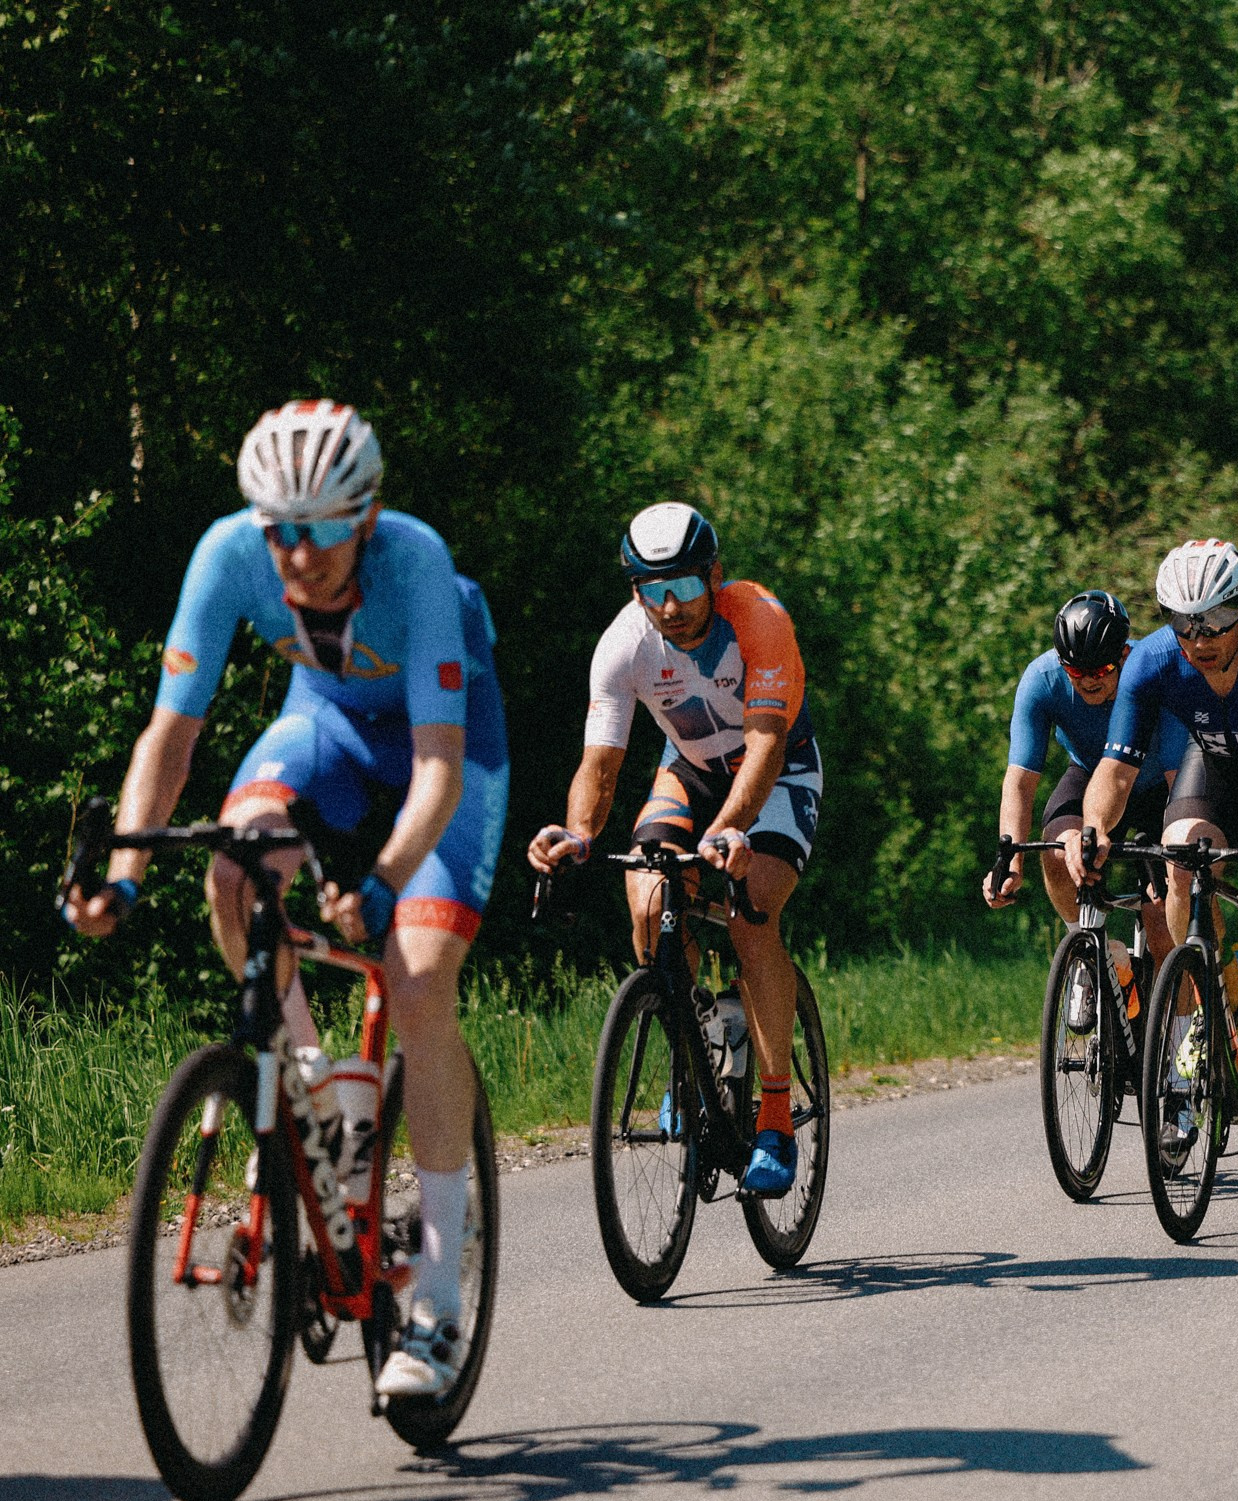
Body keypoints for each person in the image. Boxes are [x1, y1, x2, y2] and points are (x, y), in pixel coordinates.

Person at [64, 401, 508, 1400]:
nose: (299, 554)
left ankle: (439, 1294)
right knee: (232, 871)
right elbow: (170, 738)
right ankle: (317, 1092)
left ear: (368, 516)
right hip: (326, 731)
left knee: (419, 981)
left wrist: (385, 880)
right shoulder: (229, 553)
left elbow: (439, 770)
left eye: (323, 530)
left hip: (447, 750)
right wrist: (124, 876)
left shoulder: (416, 562)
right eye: (280, 530)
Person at [528, 502, 819, 1199]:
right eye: (652, 590)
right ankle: (695, 1050)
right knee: (648, 902)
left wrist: (730, 829)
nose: (670, 606)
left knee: (753, 913)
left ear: (713, 577)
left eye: (685, 587)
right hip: (688, 770)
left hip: (777, 773)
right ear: (635, 590)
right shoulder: (624, 645)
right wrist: (578, 835)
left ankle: (775, 1117)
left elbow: (765, 746)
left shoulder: (759, 620)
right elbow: (600, 766)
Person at [1080, 540, 1238, 1150]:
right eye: (1183, 621)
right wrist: (1095, 828)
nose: (1199, 639)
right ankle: (1210, 1008)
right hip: (1214, 773)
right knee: (1178, 860)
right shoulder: (1152, 660)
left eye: (1216, 620)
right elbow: (1115, 771)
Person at [985, 591, 1185, 1001]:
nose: (1089, 680)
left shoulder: (1151, 674)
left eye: (1102, 669)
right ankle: (1091, 954)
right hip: (1089, 774)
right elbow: (1020, 781)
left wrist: (1172, 855)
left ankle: (1181, 1023)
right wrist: (1011, 860)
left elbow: (1177, 777)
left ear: (1124, 654)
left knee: (1161, 922)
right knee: (1059, 851)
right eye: (1076, 671)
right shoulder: (1042, 679)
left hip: (1158, 787)